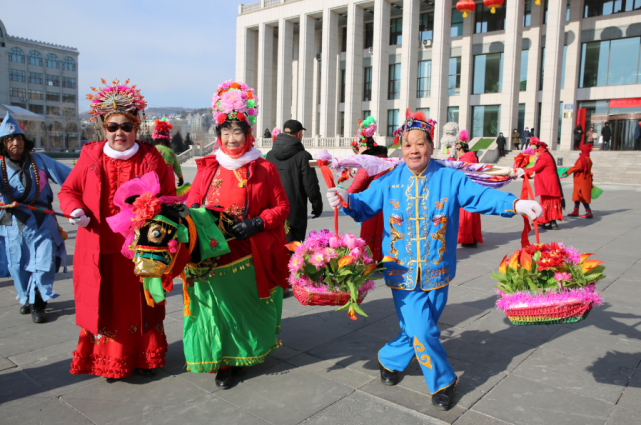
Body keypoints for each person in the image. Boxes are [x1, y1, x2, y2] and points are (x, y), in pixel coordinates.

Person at [326, 109, 542, 411]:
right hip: (401, 270)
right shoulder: (389, 180)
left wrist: (515, 203)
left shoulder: (450, 178)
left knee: (417, 328)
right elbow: (363, 206)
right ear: (401, 149)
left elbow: (480, 198)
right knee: (423, 330)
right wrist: (345, 198)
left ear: (431, 145)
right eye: (407, 145)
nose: (414, 150)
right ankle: (443, 381)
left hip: (438, 270)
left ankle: (390, 358)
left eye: (420, 143)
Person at [59, 79, 176, 379]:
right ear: (103, 127)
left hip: (141, 247)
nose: (120, 133)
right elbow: (69, 190)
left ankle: (144, 357)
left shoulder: (151, 157)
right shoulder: (89, 156)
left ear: (137, 127)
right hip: (99, 248)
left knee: (142, 305)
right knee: (106, 307)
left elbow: (169, 196)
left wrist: (156, 211)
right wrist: (76, 210)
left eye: (126, 126)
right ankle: (110, 361)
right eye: (113, 127)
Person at [183, 80, 289, 389]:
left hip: (247, 252)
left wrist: (257, 223)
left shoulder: (264, 168)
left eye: (237, 132)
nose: (231, 139)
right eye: (225, 132)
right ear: (218, 135)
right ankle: (224, 361)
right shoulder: (208, 168)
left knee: (244, 310)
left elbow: (282, 207)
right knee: (216, 312)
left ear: (248, 133)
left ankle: (242, 356)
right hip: (212, 254)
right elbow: (192, 205)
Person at [0, 112, 71, 323]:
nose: (16, 142)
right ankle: (26, 297)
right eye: (10, 139)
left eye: (19, 138)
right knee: (18, 265)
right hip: (13, 222)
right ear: (3, 144)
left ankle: (38, 302)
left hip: (42, 221)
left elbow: (71, 178)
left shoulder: (40, 160)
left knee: (43, 262)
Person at [266, 119, 322, 242]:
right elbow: (311, 184)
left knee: (275, 243)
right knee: (294, 249)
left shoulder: (269, 155)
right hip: (295, 210)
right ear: (299, 134)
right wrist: (317, 206)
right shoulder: (305, 156)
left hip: (272, 208)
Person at [346, 117, 388, 262]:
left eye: (359, 147)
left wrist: (344, 196)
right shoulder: (383, 157)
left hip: (371, 200)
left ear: (364, 146)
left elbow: (359, 182)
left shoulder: (368, 159)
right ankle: (383, 257)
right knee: (384, 231)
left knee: (371, 231)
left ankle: (369, 259)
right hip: (386, 201)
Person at [523, 137, 565, 230]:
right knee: (546, 202)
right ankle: (544, 221)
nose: (535, 153)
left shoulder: (544, 157)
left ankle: (551, 223)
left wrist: (521, 170)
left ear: (540, 149)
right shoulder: (545, 155)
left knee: (548, 203)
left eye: (536, 151)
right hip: (548, 184)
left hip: (549, 185)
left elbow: (535, 169)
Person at [455, 141, 483, 248]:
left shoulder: (463, 161)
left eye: (457, 151)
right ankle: (473, 238)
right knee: (473, 214)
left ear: (461, 150)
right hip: (474, 190)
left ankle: (467, 239)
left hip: (464, 190)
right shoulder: (473, 158)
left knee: (465, 216)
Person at [564, 144, 594, 219]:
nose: (579, 150)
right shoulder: (588, 158)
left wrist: (568, 171)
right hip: (582, 180)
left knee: (582, 196)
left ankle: (588, 212)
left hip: (582, 180)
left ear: (583, 151)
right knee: (577, 195)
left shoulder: (582, 158)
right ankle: (576, 210)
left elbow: (577, 167)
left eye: (580, 149)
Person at [152, 117, 184, 186]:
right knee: (169, 196)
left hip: (156, 177)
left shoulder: (153, 149)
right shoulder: (170, 151)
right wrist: (180, 178)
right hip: (169, 178)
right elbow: (177, 166)